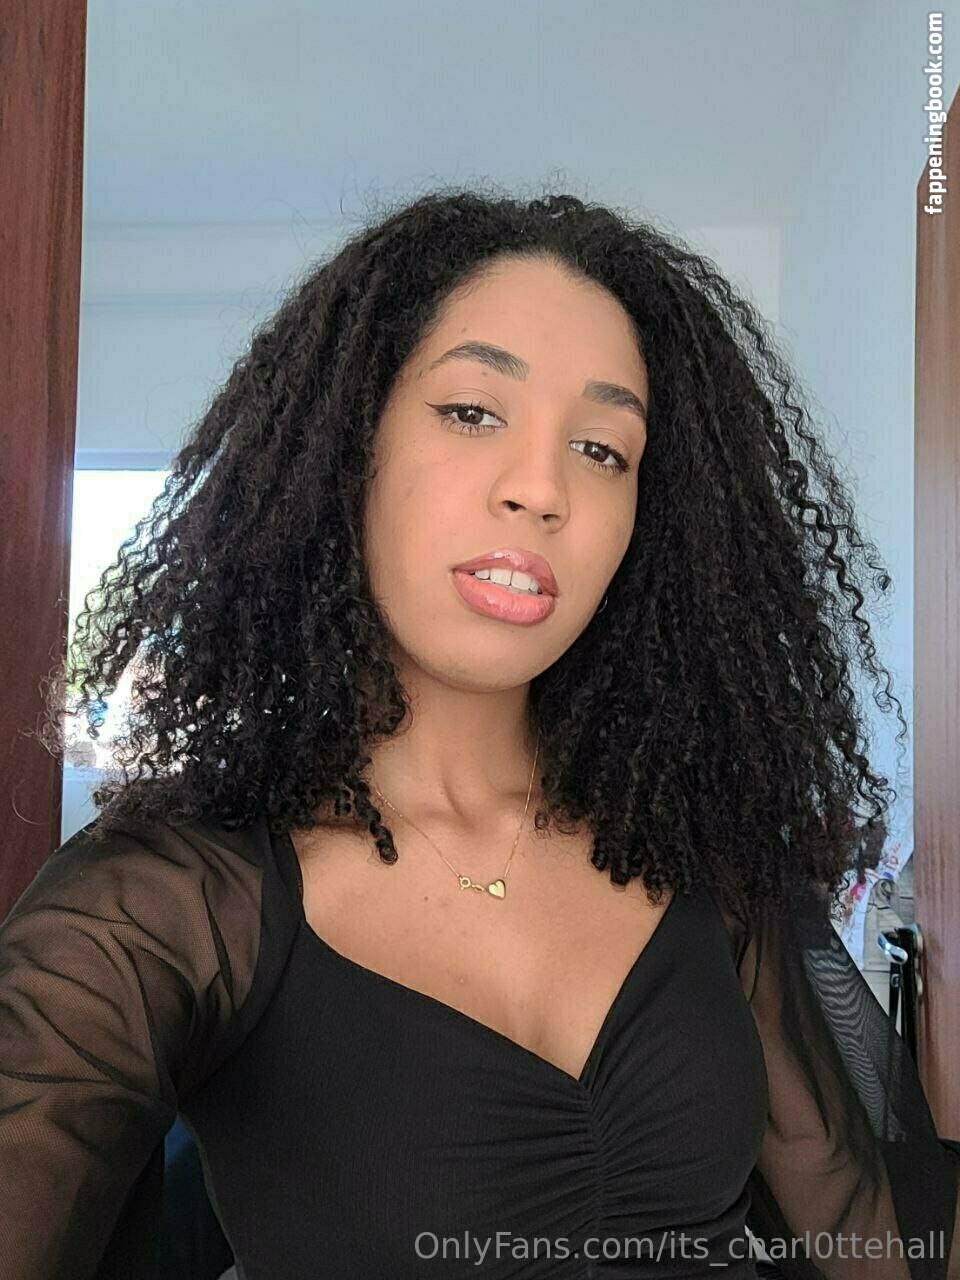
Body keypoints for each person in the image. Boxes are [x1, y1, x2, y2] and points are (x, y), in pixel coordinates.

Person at [1, 187, 957, 1279]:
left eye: (603, 449)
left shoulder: (704, 853)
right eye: (470, 412)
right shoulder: (167, 903)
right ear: (346, 447)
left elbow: (863, 1231)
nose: (541, 489)